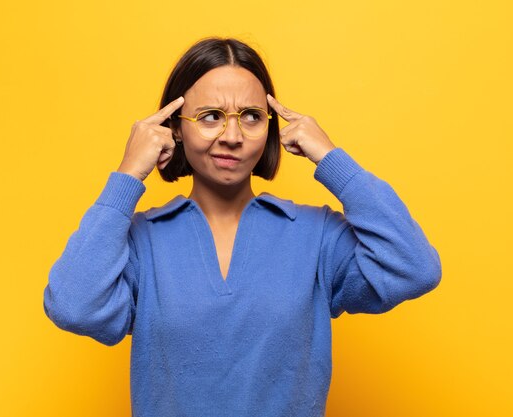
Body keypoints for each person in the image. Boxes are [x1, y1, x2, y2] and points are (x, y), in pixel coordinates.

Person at [43, 37, 442, 417]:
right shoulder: (140, 243)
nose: (232, 136)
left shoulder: (316, 236)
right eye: (210, 117)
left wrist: (332, 159)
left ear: (269, 127)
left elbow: (414, 268)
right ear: (175, 128)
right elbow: (73, 306)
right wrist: (129, 173)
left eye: (251, 117)